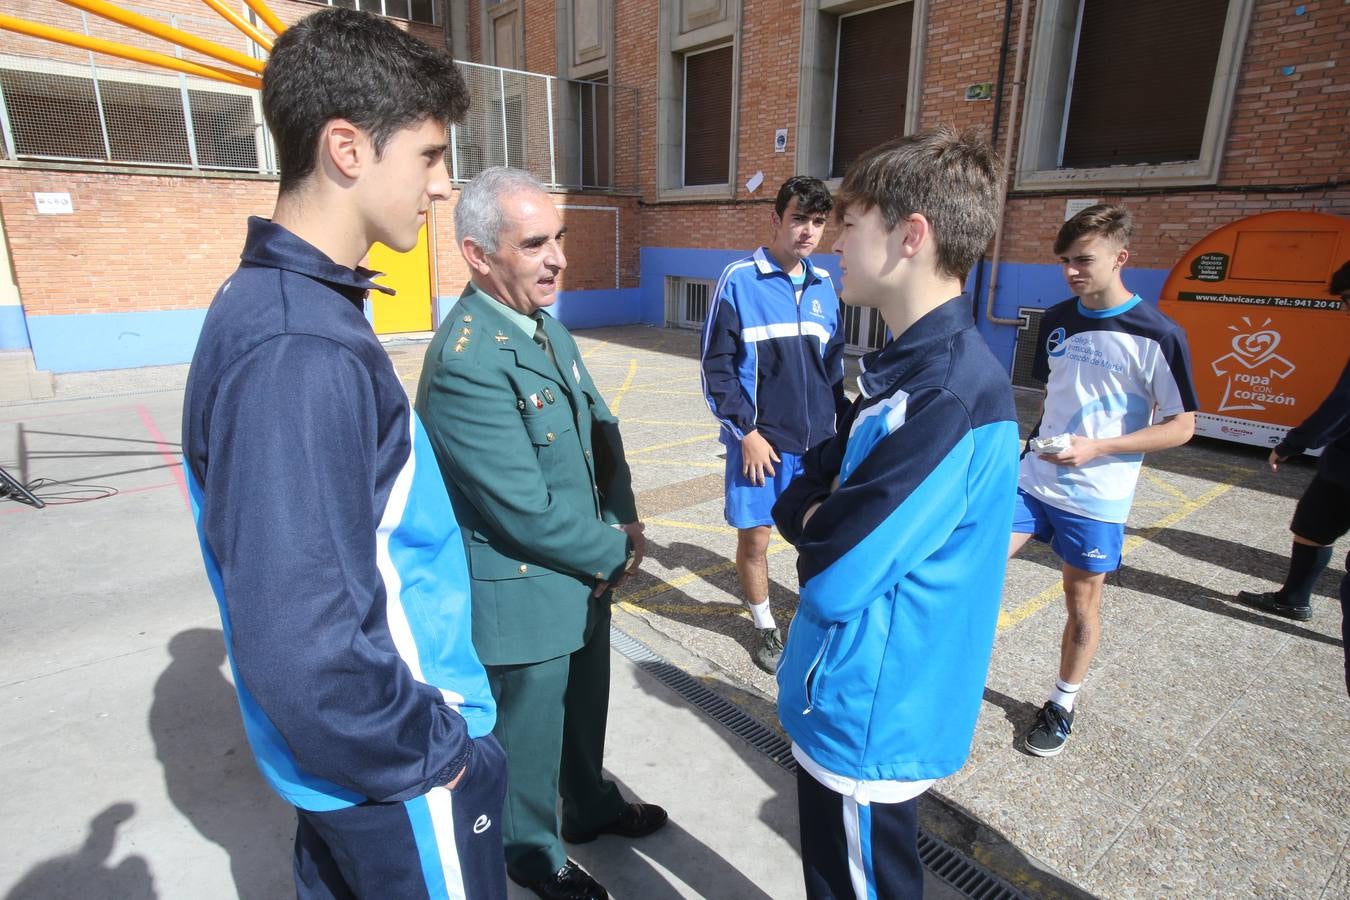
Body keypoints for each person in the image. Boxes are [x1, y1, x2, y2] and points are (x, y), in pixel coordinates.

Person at [181, 10, 506, 899]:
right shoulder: (300, 346)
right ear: (347, 148)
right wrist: (440, 755)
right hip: (396, 773)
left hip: (358, 770)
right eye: (431, 155)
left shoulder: (278, 304)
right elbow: (305, 647)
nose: (443, 186)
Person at [772, 128, 1020, 900]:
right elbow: (798, 497)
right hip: (850, 695)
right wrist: (821, 514)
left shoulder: (945, 395)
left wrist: (820, 520)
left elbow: (836, 572)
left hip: (872, 714)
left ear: (911, 236)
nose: (835, 240)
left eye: (852, 222)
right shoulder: (905, 369)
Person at [415, 167, 666, 900]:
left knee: (585, 710)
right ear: (478, 253)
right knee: (528, 741)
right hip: (524, 586)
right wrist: (617, 553)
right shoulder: (467, 362)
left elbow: (598, 431)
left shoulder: (544, 326)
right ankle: (533, 855)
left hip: (580, 571)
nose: (557, 257)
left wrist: (623, 512)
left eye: (558, 238)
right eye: (534, 244)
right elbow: (519, 509)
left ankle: (586, 807)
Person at [1011, 204, 1198, 757]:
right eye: (1064, 261)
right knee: (975, 561)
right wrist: (1039, 442)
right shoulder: (1057, 318)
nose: (1071, 270)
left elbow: (1182, 427)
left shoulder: (1159, 334)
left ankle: (1061, 703)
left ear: (1121, 257)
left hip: (1097, 498)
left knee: (1080, 603)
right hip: (1034, 479)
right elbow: (1053, 393)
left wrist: (1099, 446)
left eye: (1083, 260)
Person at [700, 175, 848, 673]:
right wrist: (747, 433)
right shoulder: (739, 279)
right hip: (760, 446)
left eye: (818, 222)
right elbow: (715, 367)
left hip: (816, 449)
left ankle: (813, 622)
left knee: (818, 539)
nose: (808, 231)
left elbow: (834, 373)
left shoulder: (826, 287)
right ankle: (765, 627)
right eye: (799, 218)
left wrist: (842, 436)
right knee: (756, 540)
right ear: (776, 220)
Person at [1235, 261, 1350, 694]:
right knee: (1310, 525)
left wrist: (1292, 443)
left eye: (1347, 301)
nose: (1344, 311)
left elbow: (1342, 404)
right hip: (1341, 467)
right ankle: (1294, 598)